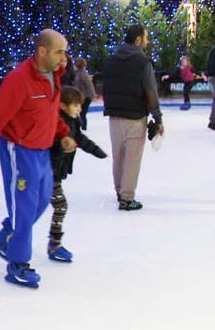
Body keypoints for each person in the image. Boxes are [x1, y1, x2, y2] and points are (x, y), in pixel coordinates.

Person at [0, 29, 75, 289]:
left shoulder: (52, 76)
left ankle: (6, 235)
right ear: (42, 51)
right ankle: (17, 264)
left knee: (42, 201)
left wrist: (62, 133)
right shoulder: (19, 80)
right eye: (59, 51)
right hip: (19, 150)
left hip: (42, 150)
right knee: (25, 207)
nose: (64, 57)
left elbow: (49, 112)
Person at [101, 24, 164, 211]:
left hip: (114, 115)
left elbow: (106, 87)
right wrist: (157, 118)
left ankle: (120, 191)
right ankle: (127, 198)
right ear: (138, 40)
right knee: (132, 158)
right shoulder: (142, 62)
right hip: (135, 117)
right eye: (146, 37)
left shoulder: (111, 60)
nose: (148, 41)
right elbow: (151, 91)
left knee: (118, 156)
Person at [47, 86, 107, 263]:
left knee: (57, 207)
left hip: (56, 173)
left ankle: (53, 244)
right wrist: (61, 148)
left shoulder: (73, 122)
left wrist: (96, 151)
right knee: (58, 207)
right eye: (76, 106)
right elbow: (51, 146)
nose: (80, 109)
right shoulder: (56, 123)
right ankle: (53, 244)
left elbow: (80, 139)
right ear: (64, 107)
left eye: (80, 105)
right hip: (47, 173)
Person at [73, 58, 96, 129]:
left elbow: (89, 85)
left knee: (82, 112)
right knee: (80, 112)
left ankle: (83, 127)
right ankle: (82, 126)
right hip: (83, 96)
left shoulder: (82, 74)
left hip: (86, 97)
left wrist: (92, 95)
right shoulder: (78, 73)